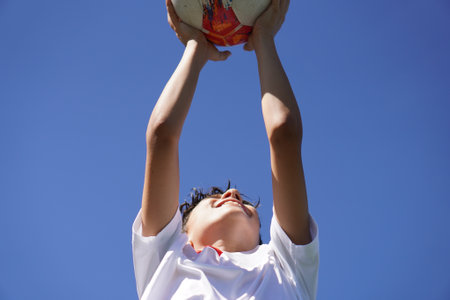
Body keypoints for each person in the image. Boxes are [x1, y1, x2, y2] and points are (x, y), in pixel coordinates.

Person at [132, 0, 319, 299]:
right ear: (182, 231)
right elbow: (161, 135)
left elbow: (283, 133)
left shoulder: (284, 264)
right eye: (217, 198)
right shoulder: (166, 255)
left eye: (236, 199)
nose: (232, 195)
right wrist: (195, 47)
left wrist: (264, 38)